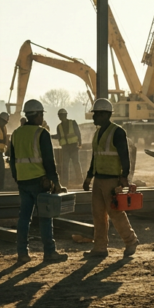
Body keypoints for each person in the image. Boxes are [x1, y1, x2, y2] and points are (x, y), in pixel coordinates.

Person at [9, 100, 68, 264]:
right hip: (40, 182)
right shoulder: (41, 133)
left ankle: (22, 253)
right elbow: (49, 162)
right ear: (38, 115)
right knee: (45, 218)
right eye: (42, 114)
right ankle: (49, 252)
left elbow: (12, 160)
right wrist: (56, 183)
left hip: (23, 182)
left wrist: (17, 178)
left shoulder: (16, 133)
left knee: (24, 218)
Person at [83, 98, 139, 258]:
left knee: (115, 213)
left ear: (104, 114)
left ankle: (131, 241)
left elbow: (124, 156)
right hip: (99, 179)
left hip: (111, 180)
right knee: (98, 214)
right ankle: (100, 248)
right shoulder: (97, 133)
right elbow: (95, 157)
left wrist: (124, 176)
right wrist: (89, 177)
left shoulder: (118, 132)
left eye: (96, 114)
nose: (93, 117)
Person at [54, 108, 82, 187]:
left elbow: (78, 133)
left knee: (76, 163)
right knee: (65, 165)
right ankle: (65, 183)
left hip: (73, 146)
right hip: (65, 148)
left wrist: (80, 143)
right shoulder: (59, 127)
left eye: (61, 115)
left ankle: (79, 180)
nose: (60, 117)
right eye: (59, 115)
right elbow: (59, 136)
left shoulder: (72, 123)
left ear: (65, 115)